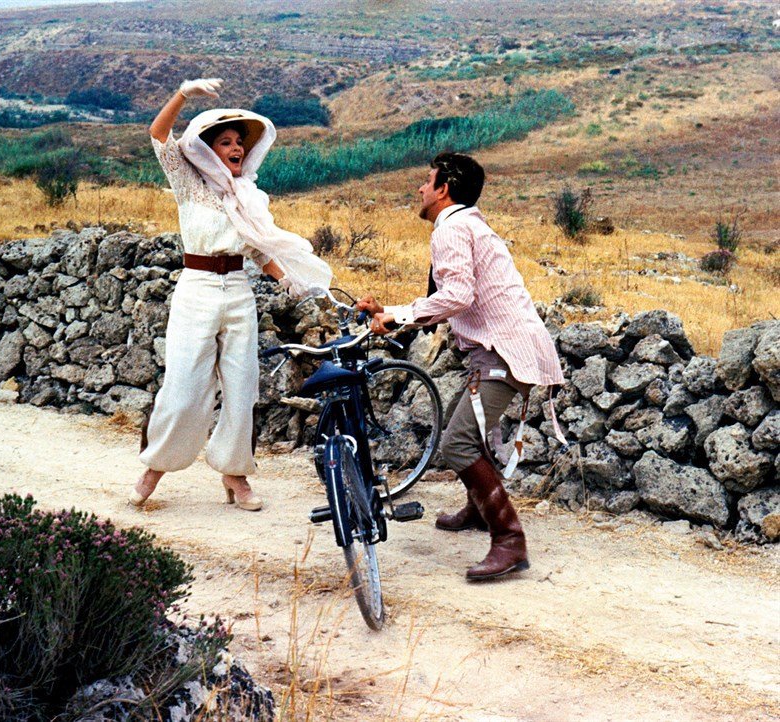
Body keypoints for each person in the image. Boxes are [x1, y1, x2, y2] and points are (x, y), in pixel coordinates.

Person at [356, 152, 564, 581]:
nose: (420, 188)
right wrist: (391, 311)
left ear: (443, 189)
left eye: (427, 180)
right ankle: (478, 510)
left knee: (457, 444)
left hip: (502, 352)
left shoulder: (451, 229)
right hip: (505, 348)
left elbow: (457, 296)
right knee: (465, 425)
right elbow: (452, 296)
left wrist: (397, 317)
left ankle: (509, 540)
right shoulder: (468, 224)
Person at [131, 77, 332, 511]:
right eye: (226, 142)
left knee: (242, 390)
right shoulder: (189, 184)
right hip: (197, 290)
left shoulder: (248, 196)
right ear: (208, 150)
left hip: (238, 292)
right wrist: (183, 93)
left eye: (240, 142)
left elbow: (259, 250)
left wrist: (287, 280)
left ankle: (235, 474)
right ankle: (156, 466)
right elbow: (159, 135)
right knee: (184, 388)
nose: (236, 147)